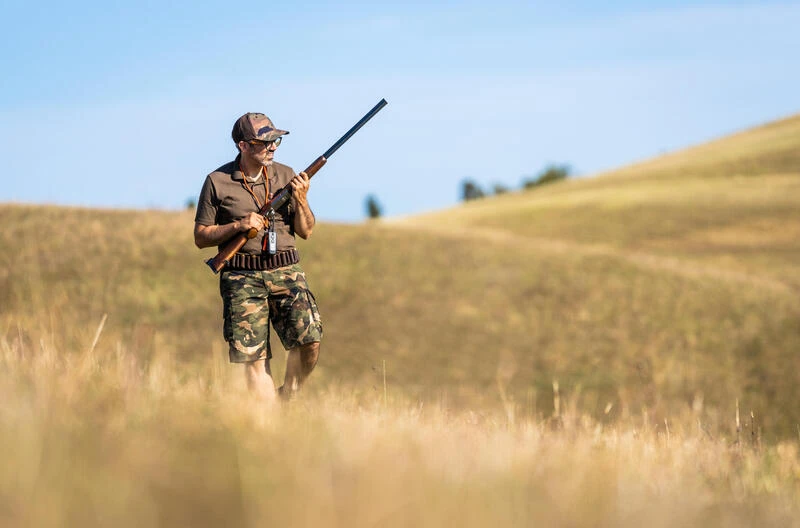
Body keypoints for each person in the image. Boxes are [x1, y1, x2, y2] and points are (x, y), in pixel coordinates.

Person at [193, 112, 323, 403]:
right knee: (254, 359)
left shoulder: (287, 175)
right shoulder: (217, 181)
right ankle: (270, 425)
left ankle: (286, 398)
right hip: (241, 277)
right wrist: (239, 226)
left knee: (310, 341)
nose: (273, 147)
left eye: (276, 140)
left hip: (286, 270)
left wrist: (301, 199)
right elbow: (201, 236)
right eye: (264, 142)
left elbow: (307, 231)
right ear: (243, 146)